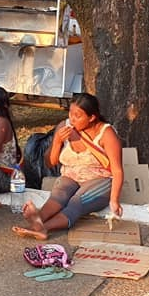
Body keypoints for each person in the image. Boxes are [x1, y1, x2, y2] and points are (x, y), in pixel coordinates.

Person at [12, 93, 124, 240]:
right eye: (70, 113)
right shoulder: (64, 127)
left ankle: (44, 228)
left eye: (78, 116)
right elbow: (50, 163)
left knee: (75, 203)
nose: (72, 119)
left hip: (99, 180)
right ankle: (38, 220)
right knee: (58, 196)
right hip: (70, 177)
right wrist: (57, 141)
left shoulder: (106, 133)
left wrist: (114, 200)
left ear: (91, 117)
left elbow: (117, 170)